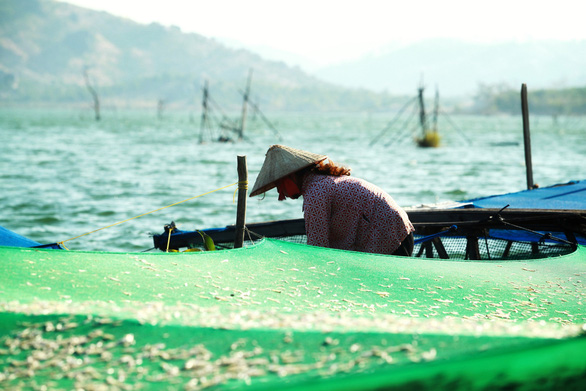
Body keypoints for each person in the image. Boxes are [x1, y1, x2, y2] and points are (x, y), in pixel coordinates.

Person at [250, 145, 415, 256]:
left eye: (279, 185)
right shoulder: (320, 183)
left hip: (390, 236)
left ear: (291, 176)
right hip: (396, 229)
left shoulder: (316, 193)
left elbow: (318, 250)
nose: (280, 194)